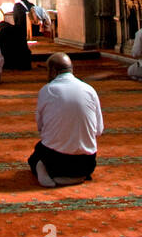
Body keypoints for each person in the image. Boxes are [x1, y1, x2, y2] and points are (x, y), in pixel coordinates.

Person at [28, 52, 104, 188]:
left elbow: (40, 127)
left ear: (53, 71)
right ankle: (77, 176)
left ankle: (45, 169)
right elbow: (98, 130)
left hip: (56, 162)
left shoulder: (47, 90)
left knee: (36, 155)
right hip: (87, 163)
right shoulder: (90, 90)